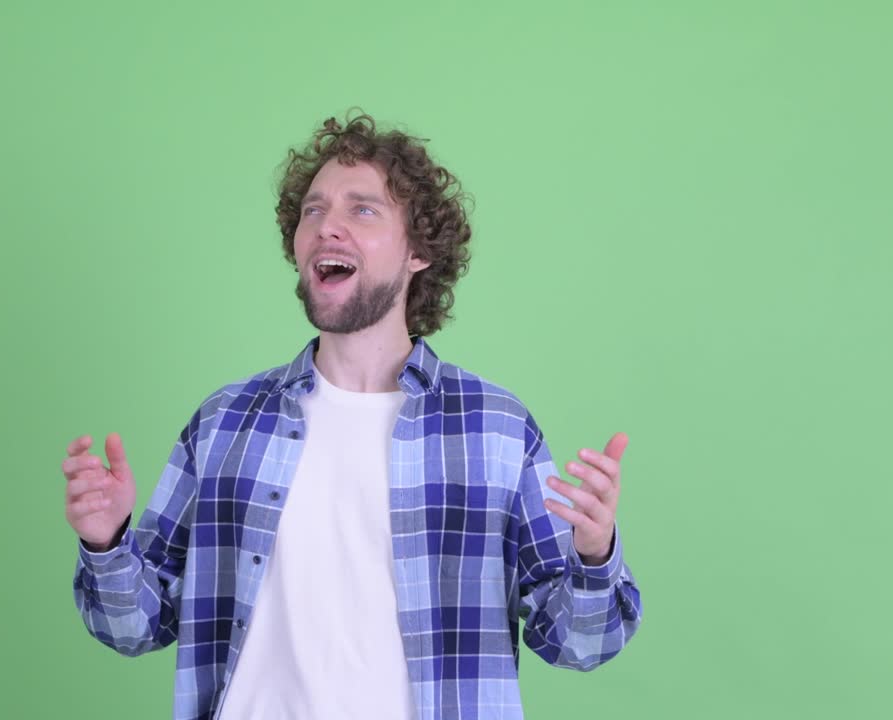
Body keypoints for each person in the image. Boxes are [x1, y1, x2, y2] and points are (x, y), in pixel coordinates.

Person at [63, 111, 642, 720]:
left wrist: (595, 555)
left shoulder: (495, 429)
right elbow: (133, 627)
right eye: (313, 211)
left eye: (362, 210)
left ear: (418, 249)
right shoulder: (225, 423)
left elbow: (579, 644)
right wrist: (106, 542)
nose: (326, 228)